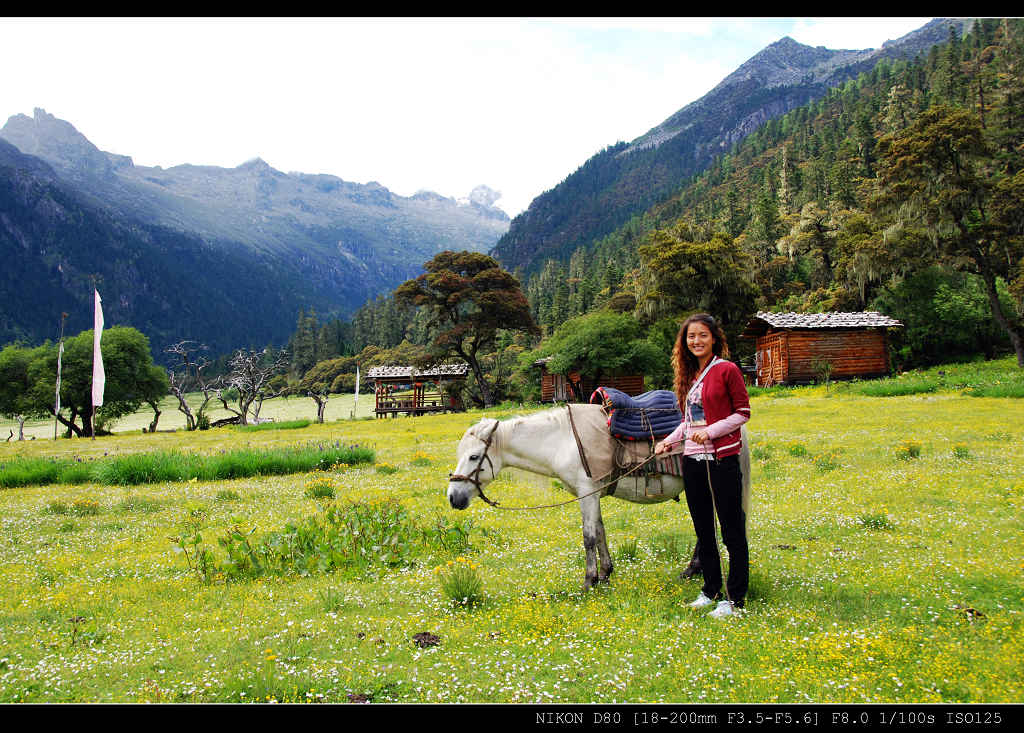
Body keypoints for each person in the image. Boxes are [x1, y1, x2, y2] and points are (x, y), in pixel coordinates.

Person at [655, 313, 750, 619]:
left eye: (702, 336)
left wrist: (711, 431)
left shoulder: (726, 370)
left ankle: (735, 599)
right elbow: (687, 423)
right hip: (692, 461)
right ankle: (711, 590)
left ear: (714, 338)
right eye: (691, 337)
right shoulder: (691, 376)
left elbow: (742, 412)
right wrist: (668, 441)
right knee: (703, 529)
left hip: (720, 460)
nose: (696, 341)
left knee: (731, 529)